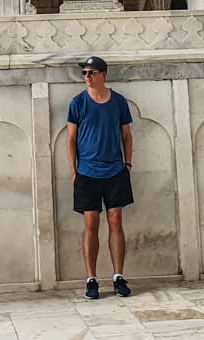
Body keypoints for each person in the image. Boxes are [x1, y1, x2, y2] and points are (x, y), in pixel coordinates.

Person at [67, 55, 134, 300]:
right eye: (84, 73)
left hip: (115, 171)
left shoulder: (118, 102)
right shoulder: (78, 103)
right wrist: (74, 170)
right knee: (91, 223)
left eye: (91, 72)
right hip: (87, 172)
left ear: (103, 74)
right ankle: (91, 279)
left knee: (116, 220)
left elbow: (126, 134)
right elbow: (71, 139)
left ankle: (118, 276)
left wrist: (127, 164)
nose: (87, 77)